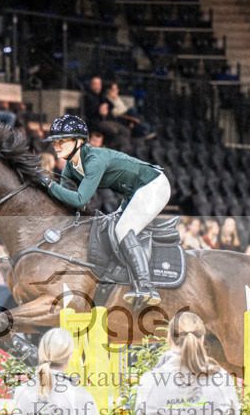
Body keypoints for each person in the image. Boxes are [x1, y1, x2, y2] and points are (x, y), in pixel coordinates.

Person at [41, 114, 170, 305]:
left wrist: (50, 185)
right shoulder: (70, 167)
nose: (56, 146)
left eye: (62, 141)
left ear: (78, 141)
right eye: (54, 142)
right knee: (108, 226)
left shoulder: (94, 160)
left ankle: (146, 286)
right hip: (132, 193)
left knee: (123, 229)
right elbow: (71, 205)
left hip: (153, 185)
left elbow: (80, 199)